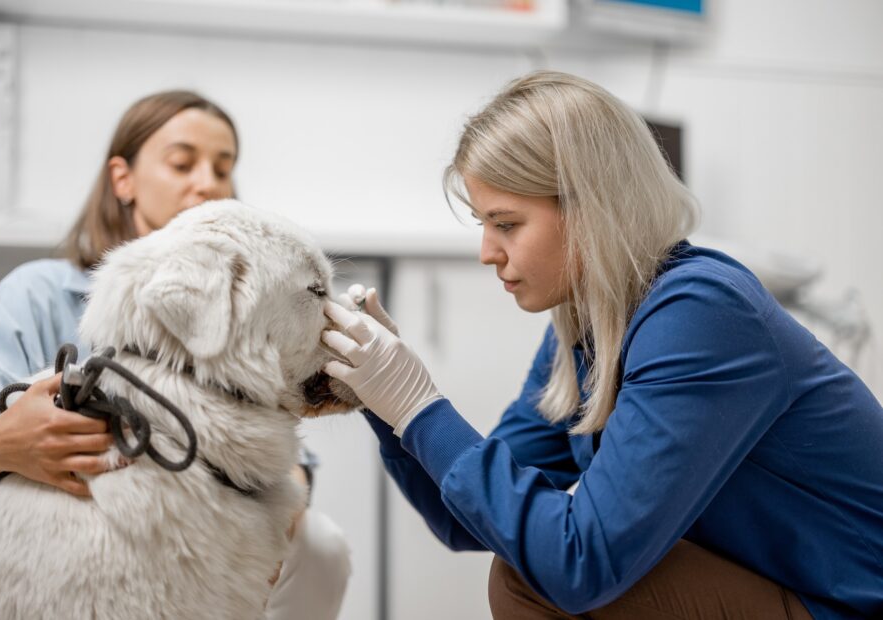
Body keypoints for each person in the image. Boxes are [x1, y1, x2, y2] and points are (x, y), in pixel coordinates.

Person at [321, 71, 883, 619]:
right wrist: (384, 400)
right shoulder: (588, 327)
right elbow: (466, 519)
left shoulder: (701, 315)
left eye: (507, 224)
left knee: (533, 581)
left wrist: (420, 407)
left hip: (847, 603)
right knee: (524, 566)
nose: (487, 252)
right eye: (482, 224)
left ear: (591, 208)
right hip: (786, 590)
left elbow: (578, 564)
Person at [0, 90, 350, 619]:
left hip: (204, 531)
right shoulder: (38, 293)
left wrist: (267, 513)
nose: (205, 181)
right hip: (54, 536)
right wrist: (1, 442)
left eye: (223, 166)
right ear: (124, 179)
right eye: (182, 162)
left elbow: (290, 462)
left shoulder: (252, 304)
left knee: (320, 544)